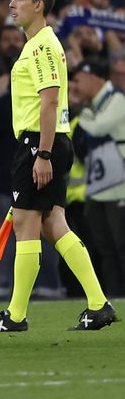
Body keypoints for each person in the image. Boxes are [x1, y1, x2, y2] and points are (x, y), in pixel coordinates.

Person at [0, 0, 117, 332]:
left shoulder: (41, 46)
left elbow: (51, 99)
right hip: (48, 143)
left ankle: (16, 315)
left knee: (26, 225)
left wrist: (42, 153)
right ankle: (99, 304)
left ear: (38, 5)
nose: (11, 4)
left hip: (40, 144)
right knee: (55, 225)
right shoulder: (38, 45)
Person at [71, 60, 125, 298]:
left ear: (94, 78)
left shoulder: (117, 100)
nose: (75, 86)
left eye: (78, 80)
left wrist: (80, 114)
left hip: (119, 190)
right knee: (105, 250)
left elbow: (97, 128)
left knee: (121, 247)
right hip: (98, 188)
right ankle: (113, 298)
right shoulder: (92, 107)